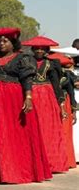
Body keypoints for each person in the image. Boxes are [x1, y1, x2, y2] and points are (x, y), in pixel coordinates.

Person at [0, 27, 52, 183]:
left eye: (5, 41)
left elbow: (26, 79)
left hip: (13, 98)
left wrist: (28, 96)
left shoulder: (22, 58)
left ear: (13, 43)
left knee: (14, 133)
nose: (1, 44)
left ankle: (15, 170)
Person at [22, 36, 68, 173]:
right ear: (32, 49)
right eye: (37, 48)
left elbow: (56, 85)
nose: (39, 50)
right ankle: (34, 162)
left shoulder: (53, 64)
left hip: (47, 98)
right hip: (31, 96)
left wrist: (61, 104)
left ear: (47, 49)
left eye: (42, 48)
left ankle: (51, 163)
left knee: (48, 129)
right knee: (31, 128)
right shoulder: (25, 61)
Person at [47, 52, 77, 168]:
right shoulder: (48, 75)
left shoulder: (67, 75)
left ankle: (67, 160)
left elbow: (71, 93)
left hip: (65, 104)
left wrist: (74, 110)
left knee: (64, 133)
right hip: (51, 104)